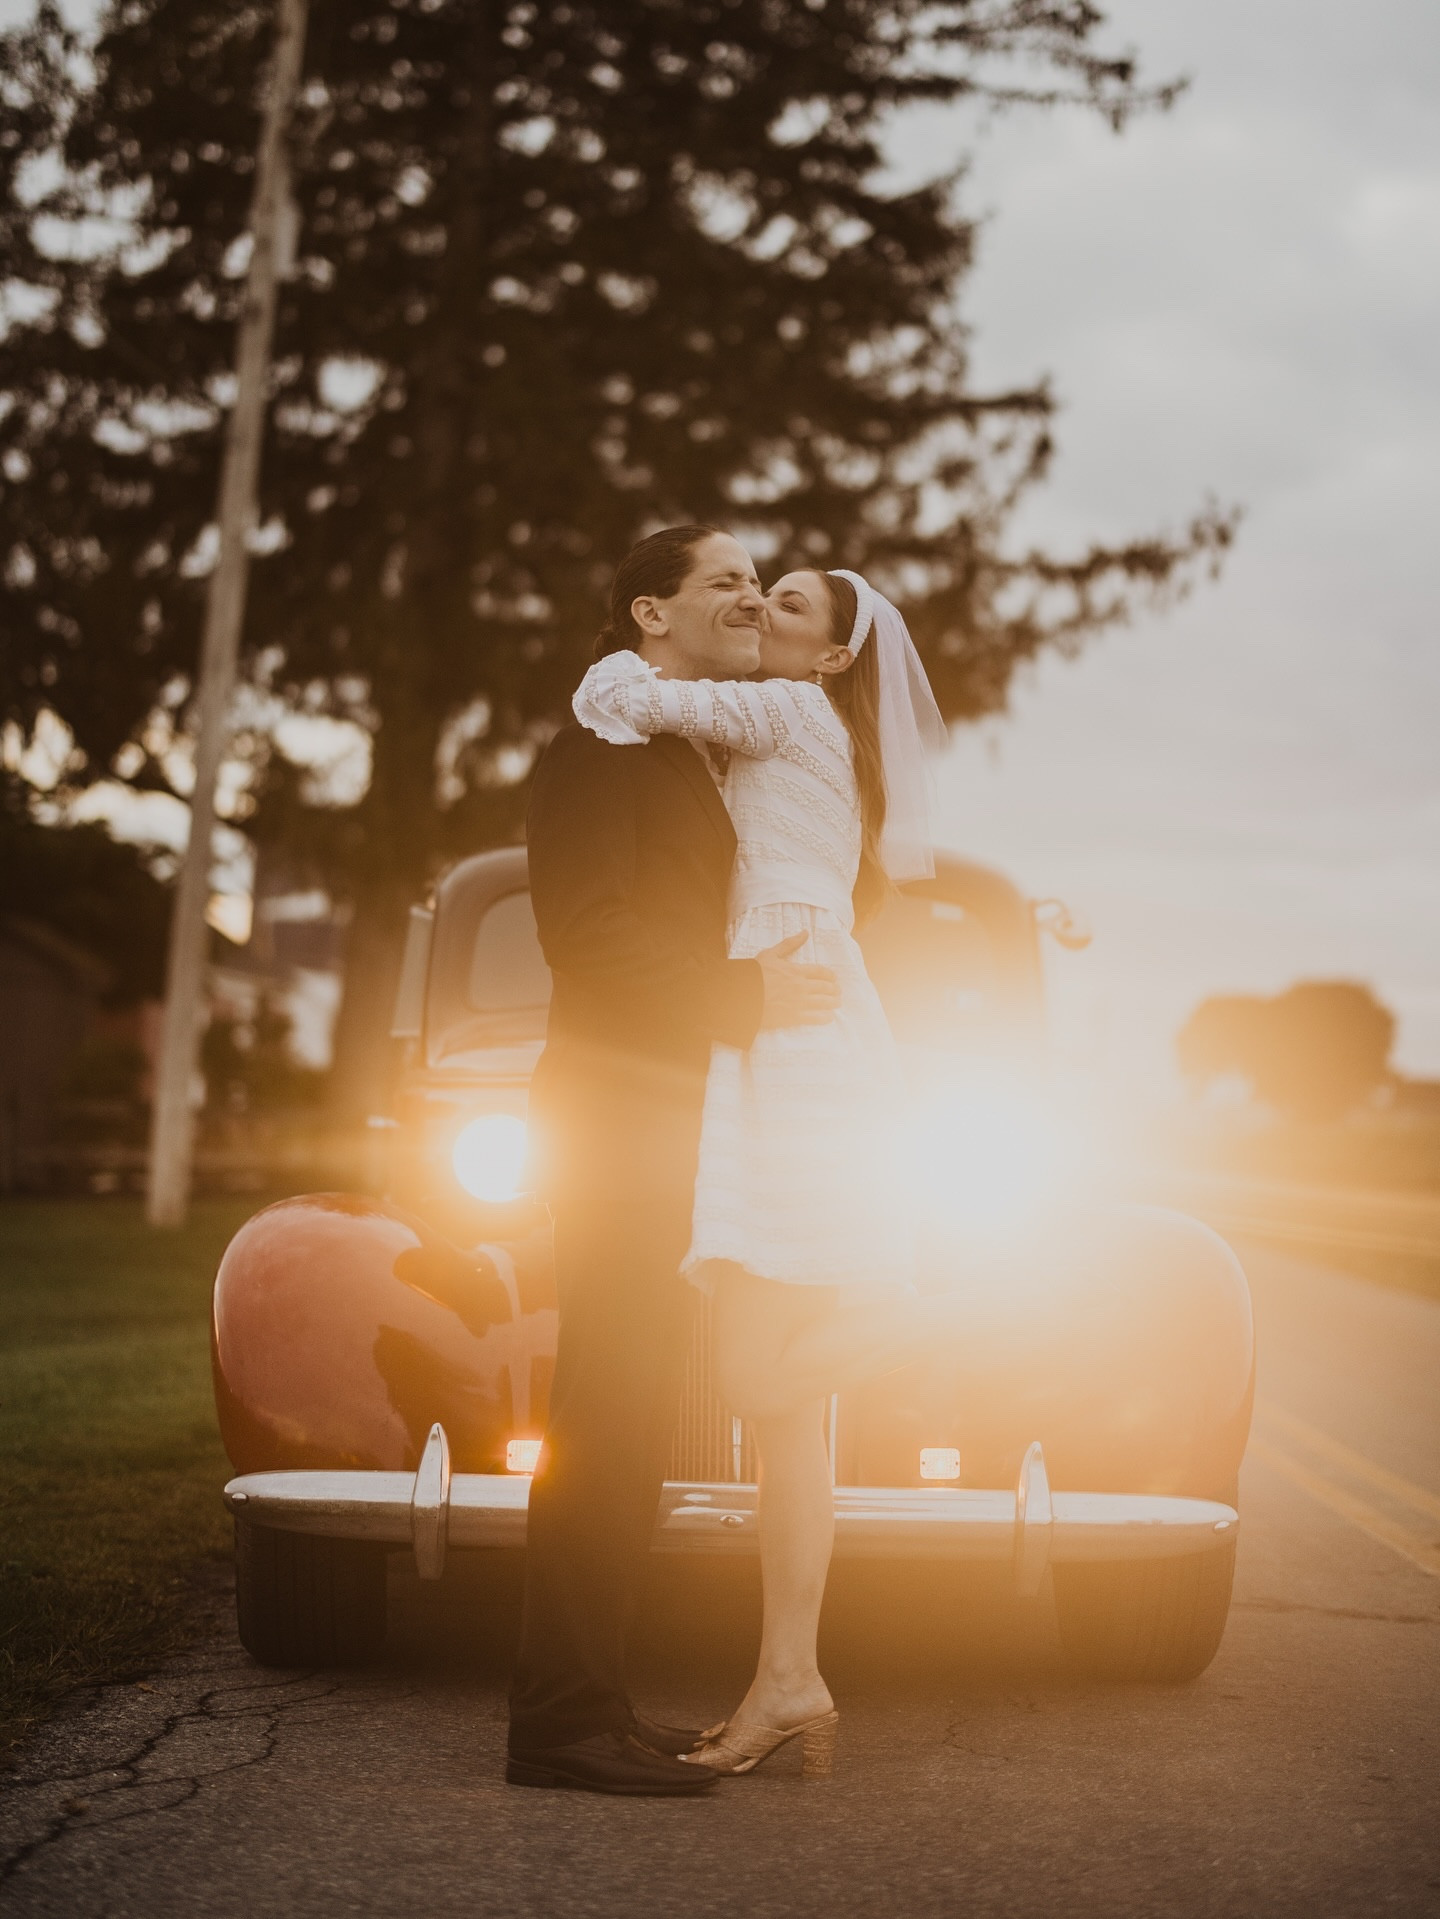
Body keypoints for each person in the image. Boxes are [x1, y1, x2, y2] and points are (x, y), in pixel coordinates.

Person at [570, 562, 951, 1778]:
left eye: (785, 605)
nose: (759, 611)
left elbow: (618, 700)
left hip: (790, 1027)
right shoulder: (817, 728)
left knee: (753, 1371)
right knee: (787, 1411)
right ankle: (790, 1674)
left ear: (834, 657)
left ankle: (951, 1312)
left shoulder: (786, 709)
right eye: (753, 591)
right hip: (796, 1011)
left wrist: (648, 635)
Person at [506, 527, 842, 1796]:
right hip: (613, 1128)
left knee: (634, 1416)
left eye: (760, 581)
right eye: (725, 581)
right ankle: (557, 1723)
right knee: (601, 1420)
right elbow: (586, 933)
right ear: (651, 611)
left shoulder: (692, 746)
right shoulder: (595, 747)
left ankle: (596, 1701)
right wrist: (747, 997)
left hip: (678, 1129)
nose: (752, 595)